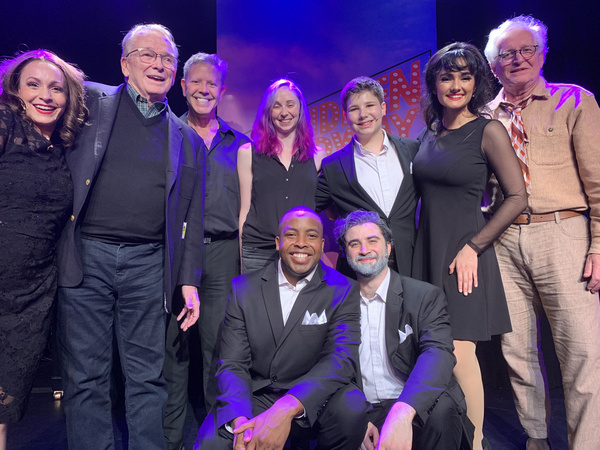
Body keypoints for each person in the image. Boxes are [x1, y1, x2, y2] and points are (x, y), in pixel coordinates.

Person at [55, 24, 205, 450]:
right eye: (147, 55)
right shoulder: (91, 103)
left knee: (146, 377)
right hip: (86, 257)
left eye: (168, 59)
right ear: (125, 63)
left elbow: (193, 214)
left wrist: (189, 280)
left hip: (149, 264)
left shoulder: (188, 138)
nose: (159, 65)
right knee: (86, 376)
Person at [483, 16, 600, 450]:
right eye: (506, 54)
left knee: (582, 353)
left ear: (542, 53)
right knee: (517, 349)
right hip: (505, 240)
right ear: (494, 66)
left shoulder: (573, 100)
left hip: (564, 232)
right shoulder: (484, 116)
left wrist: (599, 246)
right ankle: (535, 437)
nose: (517, 59)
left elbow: (598, 180)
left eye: (526, 50)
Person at [412, 42, 527, 450]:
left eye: (465, 76)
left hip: (465, 258)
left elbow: (517, 197)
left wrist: (473, 247)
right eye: (446, 77)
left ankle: (477, 444)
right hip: (427, 253)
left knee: (461, 351)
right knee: (435, 351)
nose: (455, 84)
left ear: (476, 82)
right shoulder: (429, 133)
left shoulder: (487, 129)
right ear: (435, 84)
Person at [195, 206, 369, 450]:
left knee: (352, 407)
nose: (301, 243)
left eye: (310, 236)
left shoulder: (342, 290)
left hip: (313, 396)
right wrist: (241, 421)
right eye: (291, 235)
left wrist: (288, 407)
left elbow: (340, 359)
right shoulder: (243, 288)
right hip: (258, 396)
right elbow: (233, 364)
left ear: (321, 244)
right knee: (210, 444)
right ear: (278, 242)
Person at [0, 49, 87, 450]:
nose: (46, 95)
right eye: (33, 84)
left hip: (31, 295)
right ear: (14, 89)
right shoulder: (4, 123)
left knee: (4, 402)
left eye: (56, 88)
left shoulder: (64, 150)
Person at [163, 52, 250, 450]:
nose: (203, 89)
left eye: (210, 83)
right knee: (173, 347)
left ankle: (216, 436)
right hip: (173, 254)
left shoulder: (240, 144)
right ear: (183, 87)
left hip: (222, 254)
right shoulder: (165, 134)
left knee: (219, 348)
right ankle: (169, 438)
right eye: (195, 82)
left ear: (222, 90)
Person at [334, 210, 472, 450]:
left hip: (414, 402)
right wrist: (357, 417)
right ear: (346, 254)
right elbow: (332, 366)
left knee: (443, 411)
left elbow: (438, 355)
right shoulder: (336, 304)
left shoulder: (424, 296)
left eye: (372, 241)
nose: (364, 250)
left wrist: (403, 411)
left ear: (389, 247)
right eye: (354, 244)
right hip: (364, 408)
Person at [316, 76, 420, 277]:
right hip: (361, 270)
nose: (363, 115)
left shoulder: (413, 149)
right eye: (354, 109)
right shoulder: (333, 166)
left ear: (383, 108)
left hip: (412, 265)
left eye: (370, 105)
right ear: (345, 115)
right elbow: (304, 204)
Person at [238, 79, 326, 273]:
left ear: (300, 109)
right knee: (257, 304)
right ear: (268, 111)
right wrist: (242, 258)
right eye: (276, 106)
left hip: (300, 252)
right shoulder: (248, 153)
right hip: (258, 251)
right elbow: (244, 210)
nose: (284, 112)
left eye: (290, 104)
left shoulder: (317, 155)